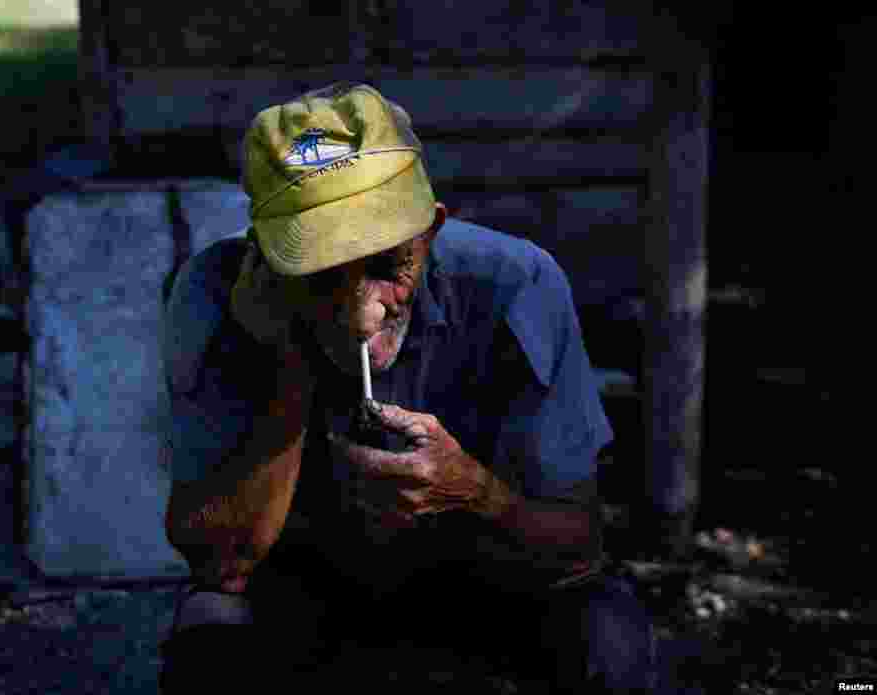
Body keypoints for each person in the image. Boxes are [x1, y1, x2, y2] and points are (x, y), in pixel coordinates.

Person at [158, 83, 660, 693]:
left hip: (484, 579)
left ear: (432, 227)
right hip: (306, 586)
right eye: (319, 276)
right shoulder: (216, 295)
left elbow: (579, 550)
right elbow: (220, 568)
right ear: (263, 258)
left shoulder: (515, 285)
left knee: (610, 635)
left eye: (385, 265)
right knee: (209, 642)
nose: (362, 313)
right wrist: (287, 364)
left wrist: (474, 492)